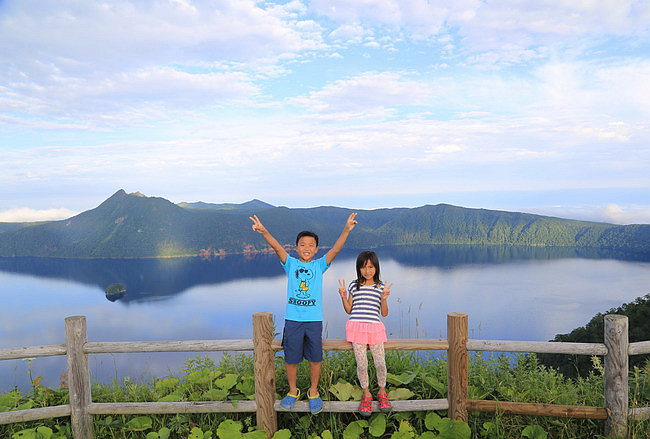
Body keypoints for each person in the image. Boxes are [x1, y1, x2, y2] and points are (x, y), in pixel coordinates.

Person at [249, 212, 358, 414]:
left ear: (316, 249)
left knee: (315, 358)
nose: (306, 248)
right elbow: (277, 247)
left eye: (310, 245)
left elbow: (336, 249)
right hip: (293, 320)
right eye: (302, 244)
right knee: (291, 359)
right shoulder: (290, 264)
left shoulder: (319, 265)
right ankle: (293, 391)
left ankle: (314, 392)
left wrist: (346, 230)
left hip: (314, 321)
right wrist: (264, 231)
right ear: (296, 247)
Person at [338, 250, 392, 416]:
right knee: (362, 364)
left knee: (380, 363)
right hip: (357, 328)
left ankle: (382, 392)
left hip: (374, 329)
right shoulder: (355, 285)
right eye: (363, 267)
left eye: (370, 267)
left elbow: (384, 313)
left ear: (376, 267)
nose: (367, 271)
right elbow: (349, 309)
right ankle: (367, 393)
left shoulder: (380, 287)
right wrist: (343, 296)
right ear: (358, 269)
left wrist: (383, 299)